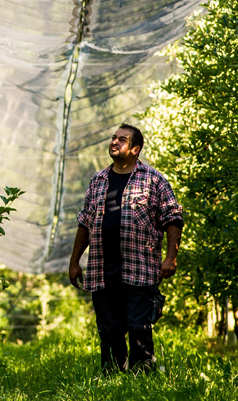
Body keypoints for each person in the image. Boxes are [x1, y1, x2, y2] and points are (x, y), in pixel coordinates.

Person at [68, 122, 183, 374]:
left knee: (138, 328)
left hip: (140, 270)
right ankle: (112, 380)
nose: (114, 142)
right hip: (102, 270)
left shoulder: (153, 180)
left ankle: (142, 380)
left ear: (135, 149)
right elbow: (85, 223)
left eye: (122, 139)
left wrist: (171, 257)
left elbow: (173, 218)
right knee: (109, 331)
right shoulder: (98, 180)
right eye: (113, 138)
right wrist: (74, 261)